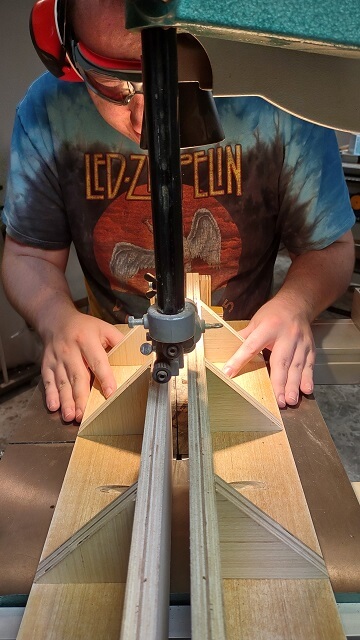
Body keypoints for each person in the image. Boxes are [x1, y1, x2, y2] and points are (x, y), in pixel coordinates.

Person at [1, 0, 355, 423]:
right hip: (114, 363)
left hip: (244, 357)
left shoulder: (279, 97)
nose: (146, 119)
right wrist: (55, 316)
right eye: (112, 84)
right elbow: (28, 256)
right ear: (68, 50)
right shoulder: (48, 111)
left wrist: (297, 302)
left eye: (178, 88)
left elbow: (330, 247)